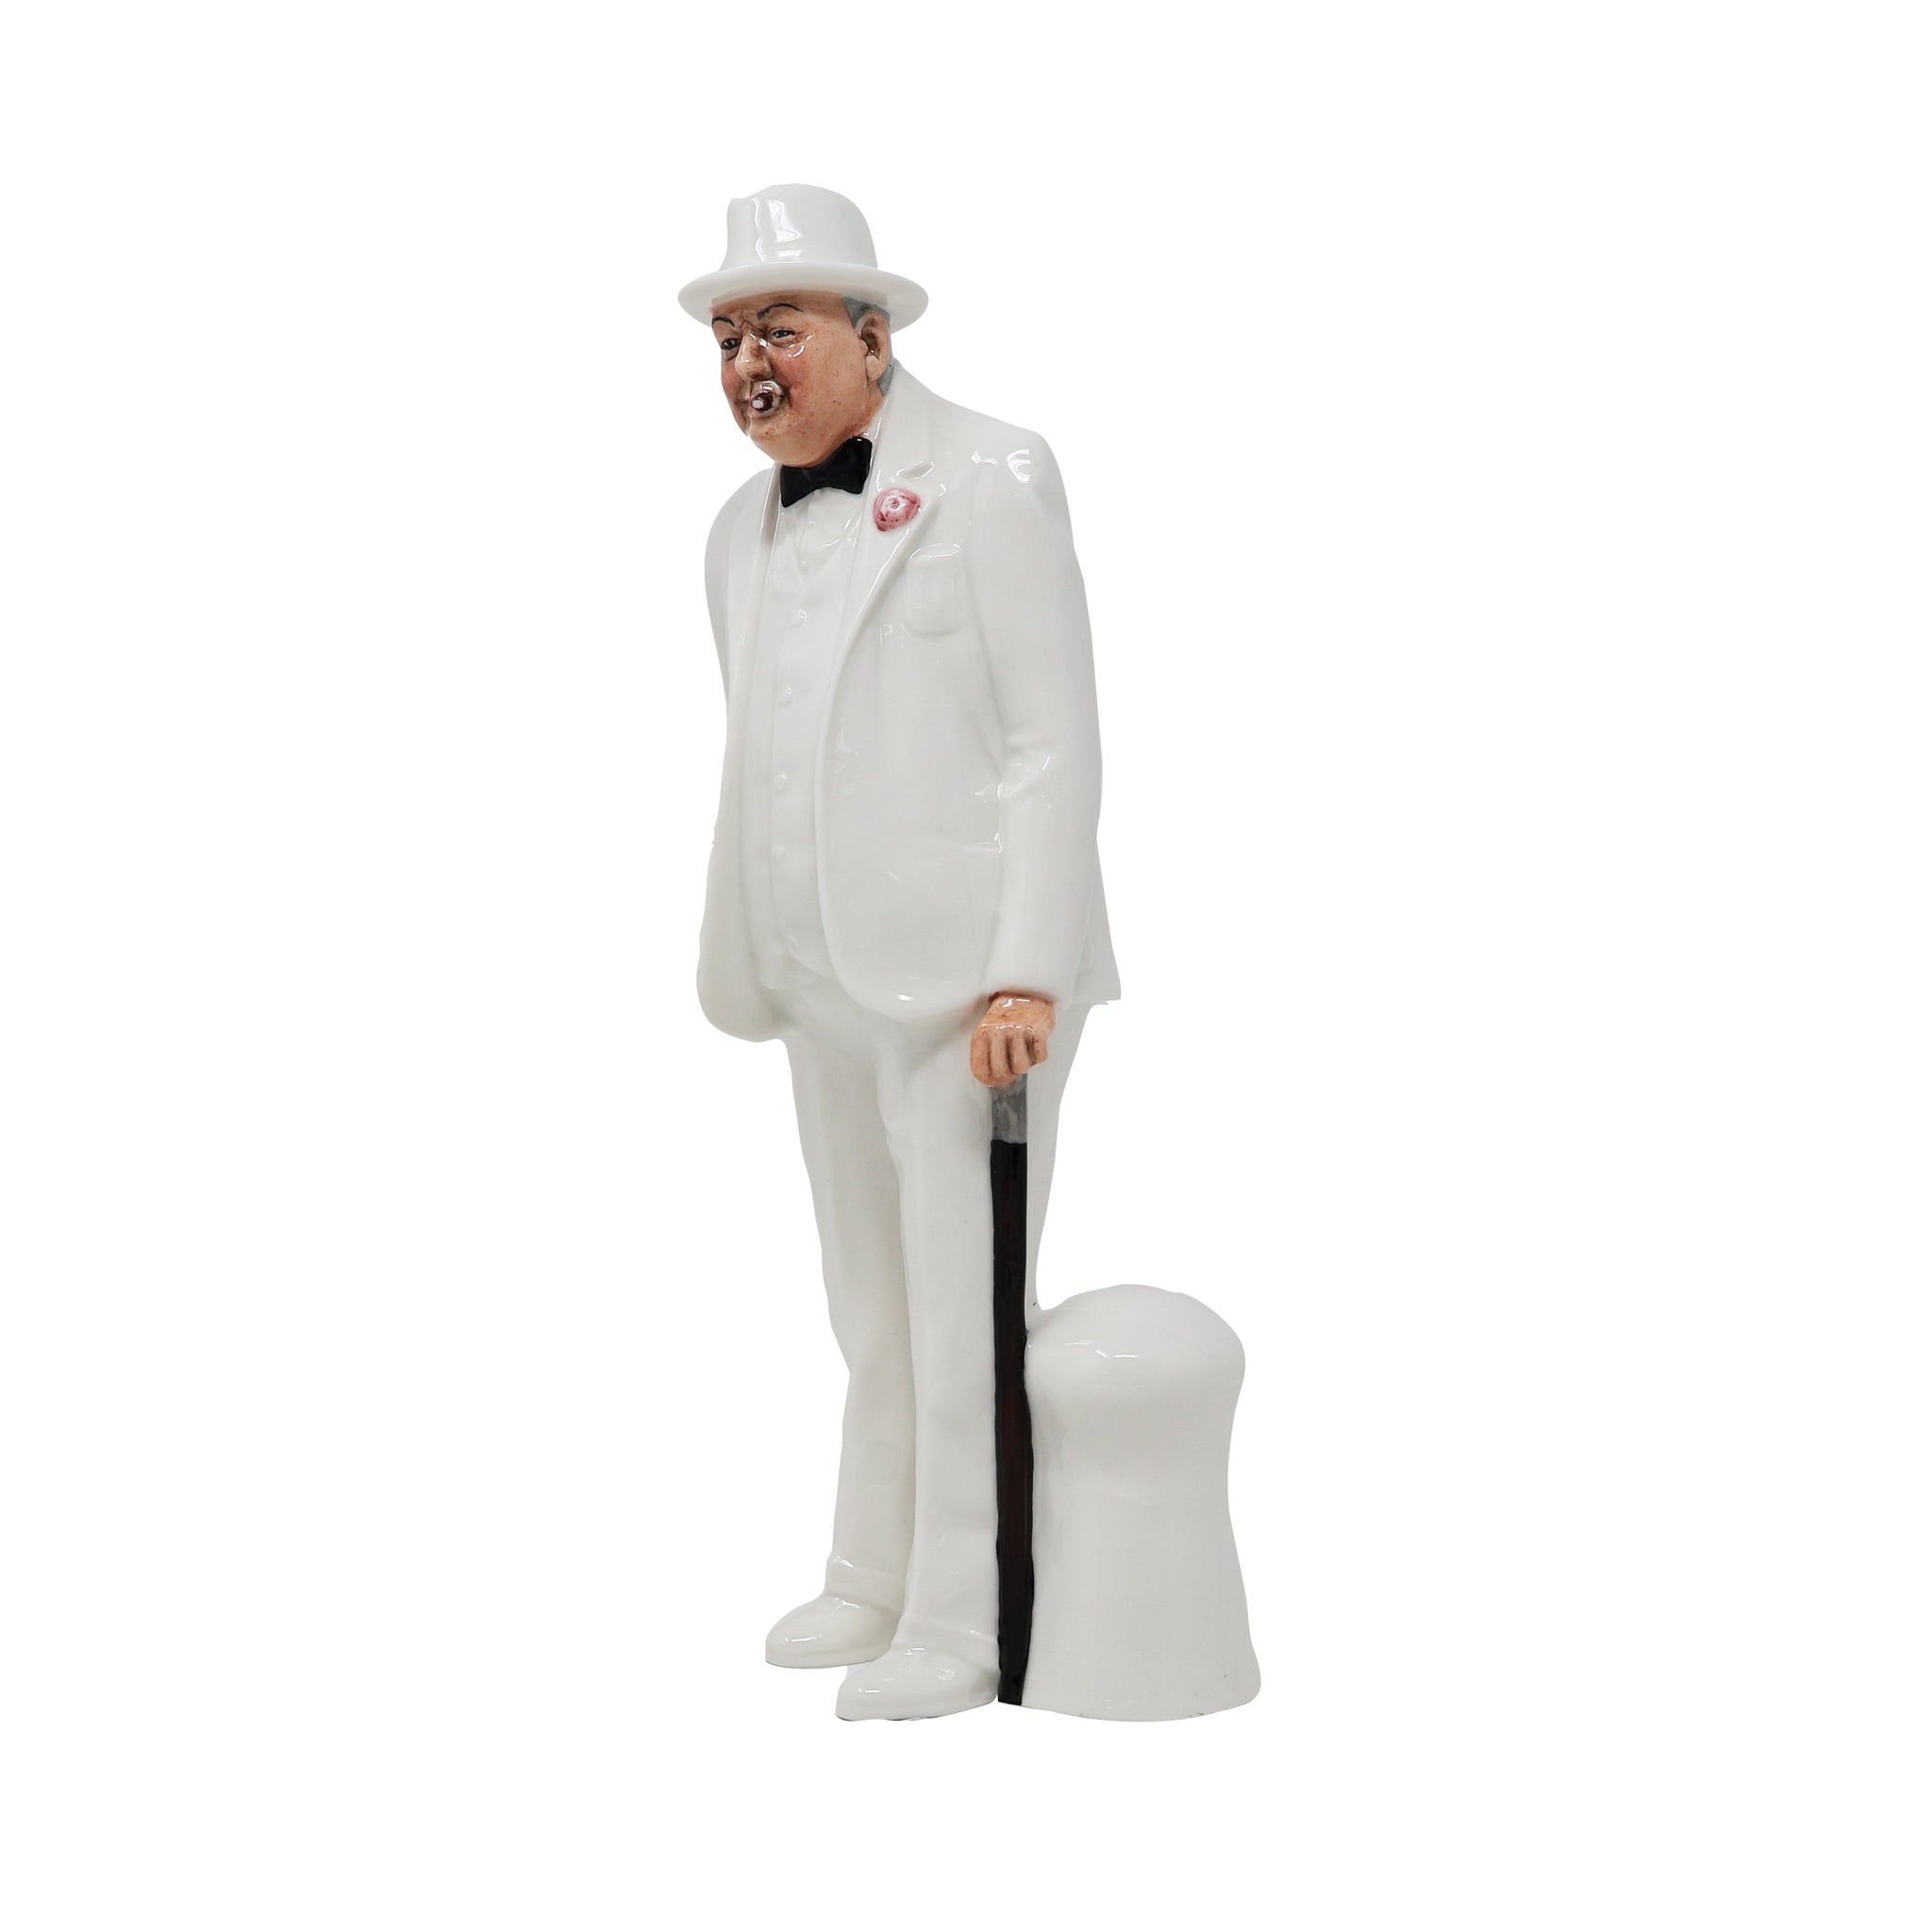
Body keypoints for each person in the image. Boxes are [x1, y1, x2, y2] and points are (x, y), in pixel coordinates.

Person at [682, 185, 1117, 1719]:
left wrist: (1028, 966)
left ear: (871, 337)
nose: (750, 364)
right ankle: (872, 1568)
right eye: (730, 337)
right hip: (814, 975)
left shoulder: (993, 474)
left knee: (960, 1304)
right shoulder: (734, 533)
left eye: (780, 329)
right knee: (867, 1300)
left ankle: (966, 1612)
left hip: (967, 986)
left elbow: (1051, 738)